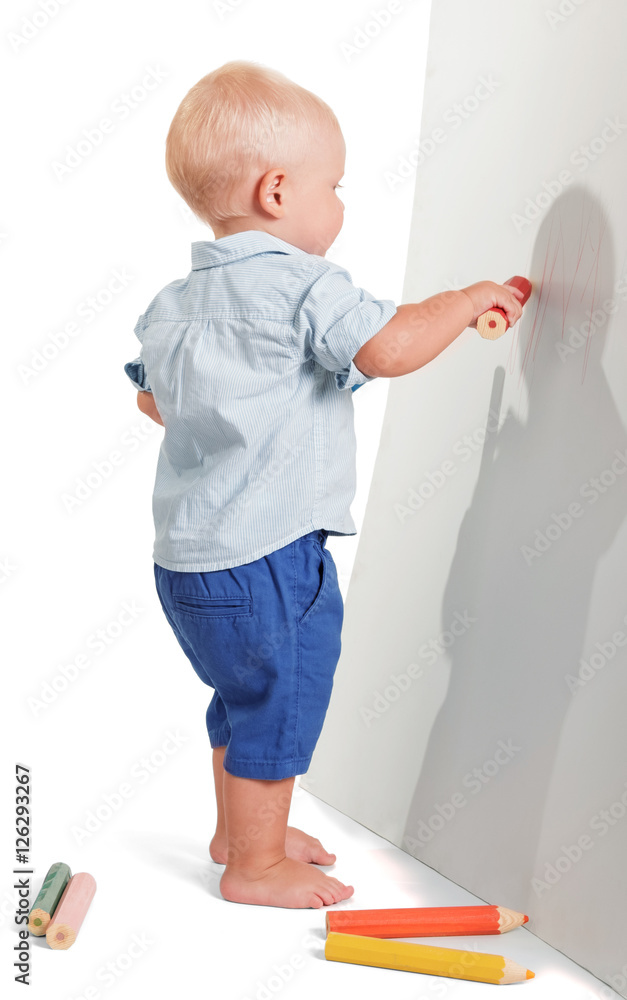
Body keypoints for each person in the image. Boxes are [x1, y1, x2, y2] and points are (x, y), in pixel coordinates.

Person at [123, 60, 526, 909]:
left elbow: (154, 400)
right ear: (277, 191)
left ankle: (242, 834)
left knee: (239, 697)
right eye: (334, 186)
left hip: (186, 564)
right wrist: (463, 301)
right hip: (268, 557)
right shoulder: (307, 284)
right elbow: (388, 347)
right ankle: (255, 866)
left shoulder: (171, 304)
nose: (340, 203)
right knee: (281, 700)